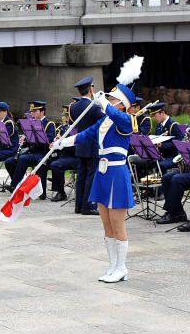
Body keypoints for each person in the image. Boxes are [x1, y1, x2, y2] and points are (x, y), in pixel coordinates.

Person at [55, 83, 139, 283]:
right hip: (103, 173)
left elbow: (120, 117)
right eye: (108, 98)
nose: (108, 101)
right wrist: (61, 143)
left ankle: (122, 267)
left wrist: (102, 102)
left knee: (118, 223)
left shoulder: (125, 119)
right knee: (106, 223)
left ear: (121, 104)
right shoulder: (104, 121)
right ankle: (112, 266)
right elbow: (84, 136)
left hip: (117, 173)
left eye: (112, 99)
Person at [4, 101, 55, 198]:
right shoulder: (31, 124)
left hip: (43, 153)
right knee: (9, 161)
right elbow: (30, 141)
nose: (32, 114)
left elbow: (49, 141)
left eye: (35, 111)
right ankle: (20, 184)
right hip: (32, 152)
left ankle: (15, 186)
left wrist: (35, 138)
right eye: (31, 112)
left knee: (23, 159)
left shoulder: (49, 124)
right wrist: (24, 141)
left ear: (42, 112)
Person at [70, 76, 104, 215]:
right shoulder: (93, 107)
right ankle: (88, 206)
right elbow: (104, 120)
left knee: (81, 176)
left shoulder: (74, 107)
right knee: (91, 176)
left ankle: (78, 206)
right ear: (90, 89)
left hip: (80, 144)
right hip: (92, 145)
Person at [49, 102, 80, 202]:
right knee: (46, 162)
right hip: (65, 156)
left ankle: (61, 193)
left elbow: (76, 148)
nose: (64, 118)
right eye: (63, 115)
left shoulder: (77, 128)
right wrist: (55, 144)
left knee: (56, 165)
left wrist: (62, 143)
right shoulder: (64, 128)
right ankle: (43, 190)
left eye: (66, 115)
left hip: (76, 157)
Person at [148, 103, 183, 172]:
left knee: (160, 165)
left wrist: (162, 145)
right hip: (161, 155)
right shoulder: (159, 126)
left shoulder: (173, 125)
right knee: (145, 162)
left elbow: (179, 143)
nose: (154, 118)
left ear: (162, 113)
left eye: (155, 115)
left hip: (172, 156)